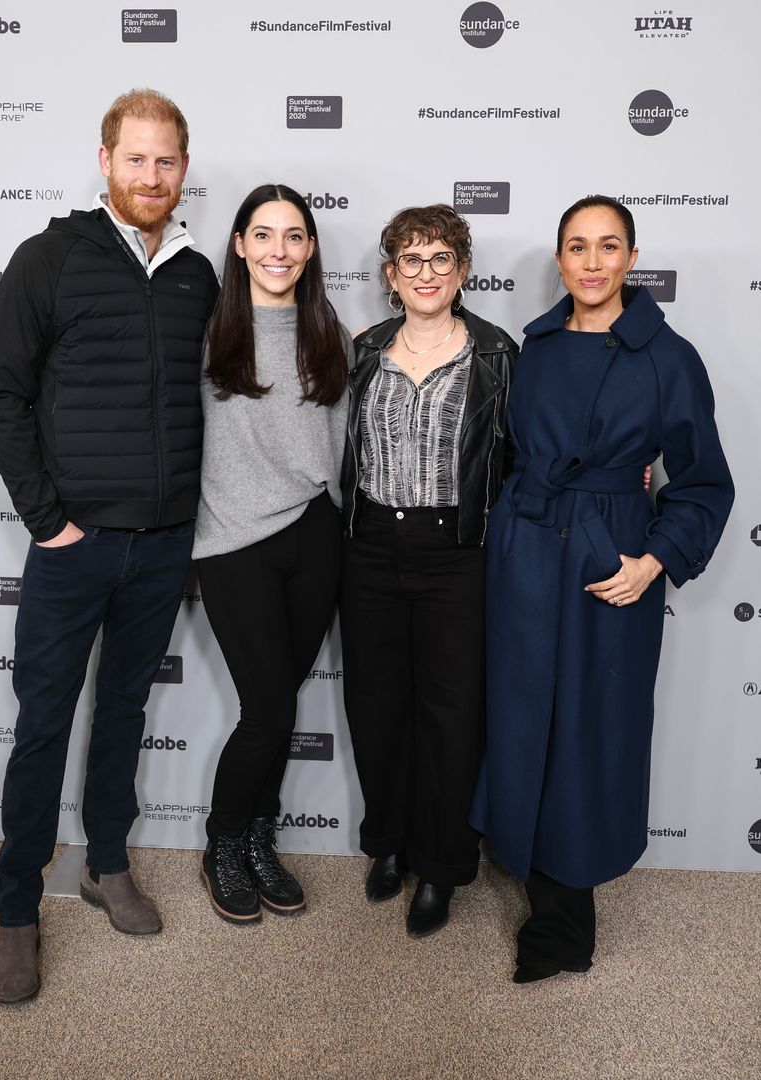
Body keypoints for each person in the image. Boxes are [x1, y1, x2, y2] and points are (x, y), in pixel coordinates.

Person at [0, 89, 218, 1003]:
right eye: (136, 160)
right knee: (43, 726)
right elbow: (2, 398)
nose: (151, 177)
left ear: (182, 170)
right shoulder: (48, 259)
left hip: (162, 546)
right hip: (73, 545)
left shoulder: (200, 271)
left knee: (123, 712)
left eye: (167, 162)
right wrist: (49, 522)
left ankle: (107, 863)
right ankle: (16, 910)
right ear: (107, 160)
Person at [471, 195, 734, 983]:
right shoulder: (536, 346)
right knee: (517, 712)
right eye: (577, 246)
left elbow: (703, 483)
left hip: (609, 558)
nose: (591, 261)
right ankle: (516, 853)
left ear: (631, 257)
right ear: (559, 260)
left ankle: (564, 917)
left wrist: (654, 562)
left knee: (592, 727)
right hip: (522, 548)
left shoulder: (668, 356)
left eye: (608, 246)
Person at [338, 205, 518, 938]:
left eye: (441, 258)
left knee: (450, 714)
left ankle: (442, 864)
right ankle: (388, 845)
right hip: (371, 545)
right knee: (377, 706)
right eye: (411, 260)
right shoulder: (363, 351)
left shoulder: (498, 355)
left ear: (464, 271)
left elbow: (527, 455)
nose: (426, 273)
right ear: (390, 275)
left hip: (457, 552)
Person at [193, 184, 349, 924]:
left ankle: (260, 835)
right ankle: (222, 842)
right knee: (268, 708)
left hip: (315, 536)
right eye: (264, 235)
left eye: (293, 236)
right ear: (240, 245)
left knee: (281, 708)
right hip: (232, 540)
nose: (278, 251)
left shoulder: (333, 335)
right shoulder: (209, 332)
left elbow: (348, 446)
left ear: (310, 249)